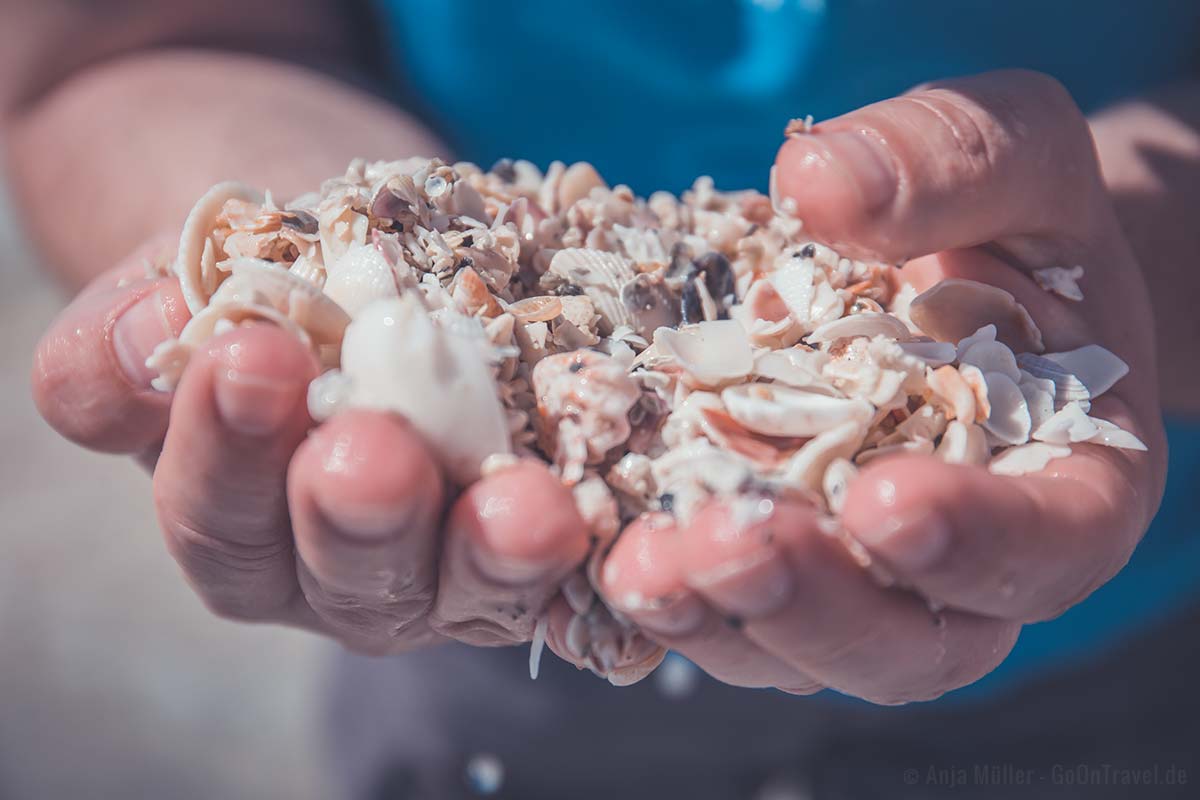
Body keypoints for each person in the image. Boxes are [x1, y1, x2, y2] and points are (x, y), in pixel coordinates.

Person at [5, 1, 1198, 797]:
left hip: (1134, 634)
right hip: (497, 613)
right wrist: (298, 262)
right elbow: (126, 41)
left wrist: (1122, 249)